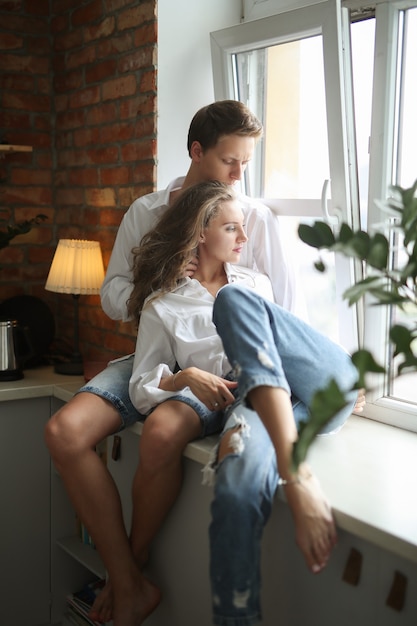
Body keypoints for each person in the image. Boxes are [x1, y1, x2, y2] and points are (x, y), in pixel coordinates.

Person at [44, 100, 309, 626]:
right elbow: (112, 294)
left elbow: (288, 316)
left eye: (245, 164)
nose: (239, 175)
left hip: (222, 371)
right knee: (63, 432)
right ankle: (128, 581)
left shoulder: (253, 219)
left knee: (165, 430)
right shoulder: (145, 212)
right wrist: (160, 289)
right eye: (230, 161)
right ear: (196, 152)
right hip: (156, 350)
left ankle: (128, 575)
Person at [128, 180, 359, 626]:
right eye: (232, 228)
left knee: (234, 301)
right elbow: (140, 387)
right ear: (200, 233)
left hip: (318, 382)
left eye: (242, 227)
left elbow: (293, 340)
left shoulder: (255, 283)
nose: (244, 238)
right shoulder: (164, 305)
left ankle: (297, 472)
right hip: (257, 406)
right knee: (233, 486)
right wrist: (184, 377)